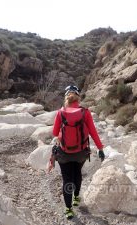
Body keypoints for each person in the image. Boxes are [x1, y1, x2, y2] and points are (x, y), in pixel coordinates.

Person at [48, 85, 105, 220]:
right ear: (78, 98)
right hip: (81, 152)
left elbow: (55, 133)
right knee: (77, 174)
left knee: (67, 179)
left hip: (64, 152)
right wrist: (100, 148)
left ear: (66, 97)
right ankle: (76, 198)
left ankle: (68, 210)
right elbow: (93, 132)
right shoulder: (85, 112)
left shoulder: (60, 113)